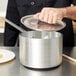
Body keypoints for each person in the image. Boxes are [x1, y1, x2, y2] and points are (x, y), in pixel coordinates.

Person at [4, 0, 76, 46]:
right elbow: (11, 27)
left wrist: (64, 12)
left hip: (63, 50)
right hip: (27, 50)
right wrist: (8, 52)